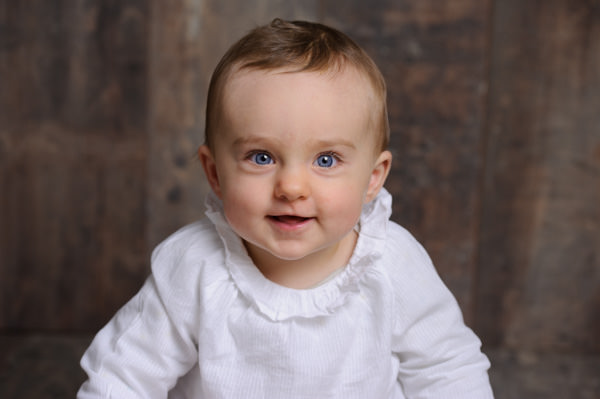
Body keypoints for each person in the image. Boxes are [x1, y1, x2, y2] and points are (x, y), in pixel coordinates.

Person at [78, 18, 494, 398]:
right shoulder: (192, 267)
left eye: (326, 160)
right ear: (216, 173)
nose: (292, 187)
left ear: (372, 178)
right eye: (261, 157)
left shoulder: (391, 262)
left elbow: (448, 369)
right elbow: (122, 377)